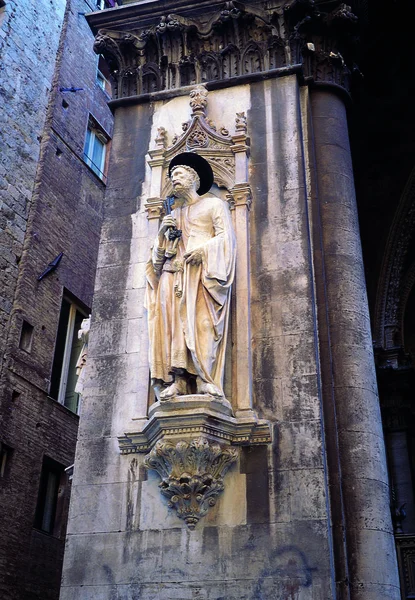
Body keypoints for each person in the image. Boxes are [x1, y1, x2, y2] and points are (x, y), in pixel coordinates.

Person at [145, 152, 236, 400]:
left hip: (199, 277)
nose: (174, 178)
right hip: (170, 278)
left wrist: (203, 251)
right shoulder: (173, 214)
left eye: (179, 174)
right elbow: (155, 262)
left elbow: (227, 239)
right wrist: (163, 234)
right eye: (172, 175)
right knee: (173, 331)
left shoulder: (213, 205)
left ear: (193, 178)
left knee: (202, 326)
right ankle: (179, 381)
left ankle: (205, 378)